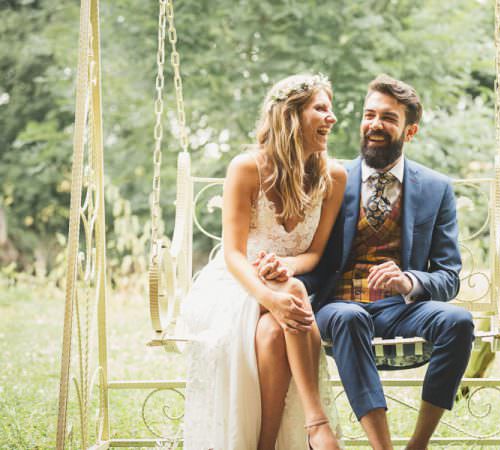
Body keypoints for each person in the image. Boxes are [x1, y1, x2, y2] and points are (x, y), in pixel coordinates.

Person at [257, 74, 474, 450]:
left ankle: (418, 444)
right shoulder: (330, 178)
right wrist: (282, 279)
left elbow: (448, 276)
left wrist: (409, 281)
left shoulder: (436, 188)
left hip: (399, 310)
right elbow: (304, 244)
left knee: (459, 321)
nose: (375, 124)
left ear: (410, 131)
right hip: (337, 306)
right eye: (369, 114)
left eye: (388, 118)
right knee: (348, 316)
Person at [179, 73, 346, 450]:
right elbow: (233, 254)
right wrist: (268, 294)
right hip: (235, 284)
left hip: (283, 289)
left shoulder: (333, 177)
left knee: (273, 332)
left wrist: (286, 268)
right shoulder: (246, 168)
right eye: (321, 108)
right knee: (293, 292)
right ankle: (316, 422)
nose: (332, 118)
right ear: (290, 115)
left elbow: (314, 254)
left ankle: (265, 444)